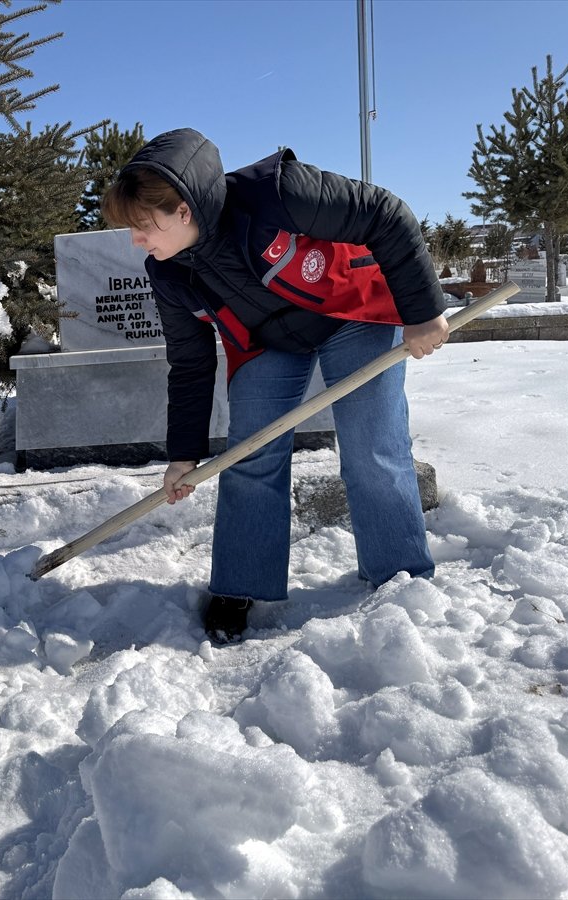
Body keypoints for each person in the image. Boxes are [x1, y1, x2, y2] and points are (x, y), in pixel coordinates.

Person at [101, 128, 448, 644]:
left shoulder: (278, 193)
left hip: (351, 314)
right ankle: (241, 583)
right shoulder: (168, 273)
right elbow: (190, 363)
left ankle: (399, 576)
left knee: (372, 445)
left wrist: (423, 312)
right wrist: (183, 455)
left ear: (183, 210)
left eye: (143, 226)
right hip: (269, 342)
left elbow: (386, 213)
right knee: (250, 453)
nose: (136, 241)